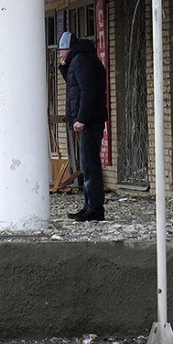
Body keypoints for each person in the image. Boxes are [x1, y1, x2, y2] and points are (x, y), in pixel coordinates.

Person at [57, 31, 108, 222]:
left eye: (61, 51)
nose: (60, 55)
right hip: (90, 119)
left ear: (68, 49)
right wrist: (64, 69)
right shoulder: (81, 60)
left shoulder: (81, 61)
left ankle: (94, 208)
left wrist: (81, 118)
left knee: (90, 164)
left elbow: (87, 91)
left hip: (89, 120)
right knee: (88, 164)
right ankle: (89, 206)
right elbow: (75, 87)